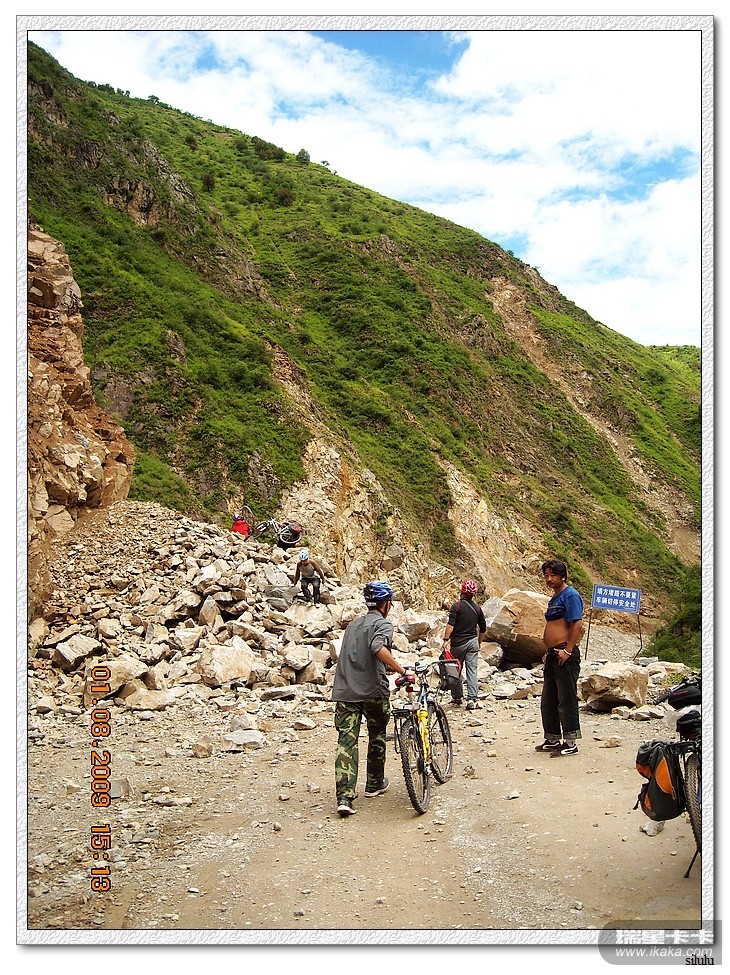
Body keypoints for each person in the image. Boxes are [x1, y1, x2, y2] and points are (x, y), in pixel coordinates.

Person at [331, 580, 409, 817]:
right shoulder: (383, 624)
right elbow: (377, 648)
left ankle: (345, 797)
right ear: (386, 604)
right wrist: (402, 671)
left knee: (346, 742)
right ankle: (374, 783)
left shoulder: (352, 625)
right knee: (377, 736)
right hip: (373, 691)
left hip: (346, 692)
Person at [535, 559, 584, 757]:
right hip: (553, 654)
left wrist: (568, 650)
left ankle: (570, 741)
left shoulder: (570, 595)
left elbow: (577, 624)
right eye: (546, 575)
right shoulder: (555, 597)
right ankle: (552, 738)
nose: (549, 579)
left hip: (565, 653)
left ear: (562, 576)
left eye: (553, 575)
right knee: (549, 699)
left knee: (566, 698)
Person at [441, 579, 486, 710]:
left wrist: (446, 639)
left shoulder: (457, 606)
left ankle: (457, 697)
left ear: (462, 591)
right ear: (474, 594)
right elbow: (483, 628)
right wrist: (479, 642)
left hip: (458, 644)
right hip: (473, 642)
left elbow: (450, 625)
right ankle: (472, 699)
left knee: (456, 670)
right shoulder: (478, 609)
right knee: (472, 670)